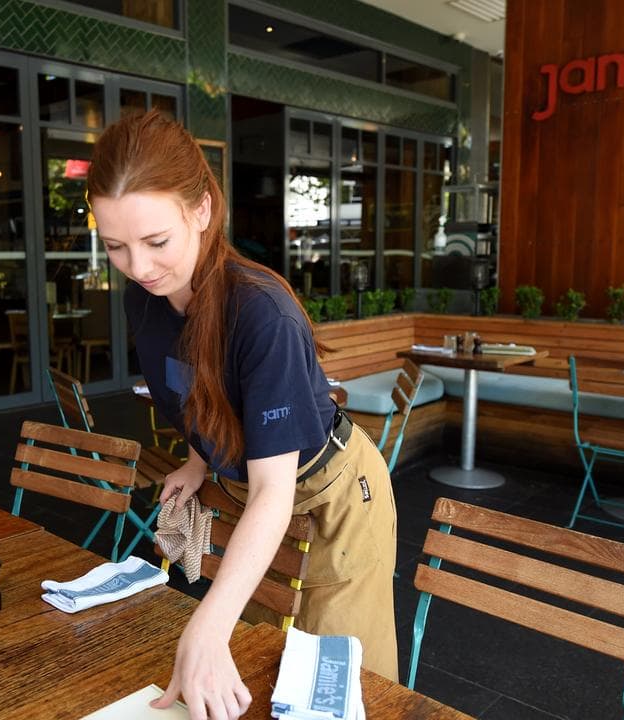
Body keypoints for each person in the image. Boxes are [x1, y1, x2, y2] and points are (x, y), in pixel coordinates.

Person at [87, 110, 397, 720]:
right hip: (248, 491)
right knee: (257, 655)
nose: (139, 267)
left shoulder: (261, 314)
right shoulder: (143, 301)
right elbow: (195, 389)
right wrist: (197, 460)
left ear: (201, 210)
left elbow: (274, 490)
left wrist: (205, 628)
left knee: (335, 684)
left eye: (156, 242)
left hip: (328, 496)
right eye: (115, 247)